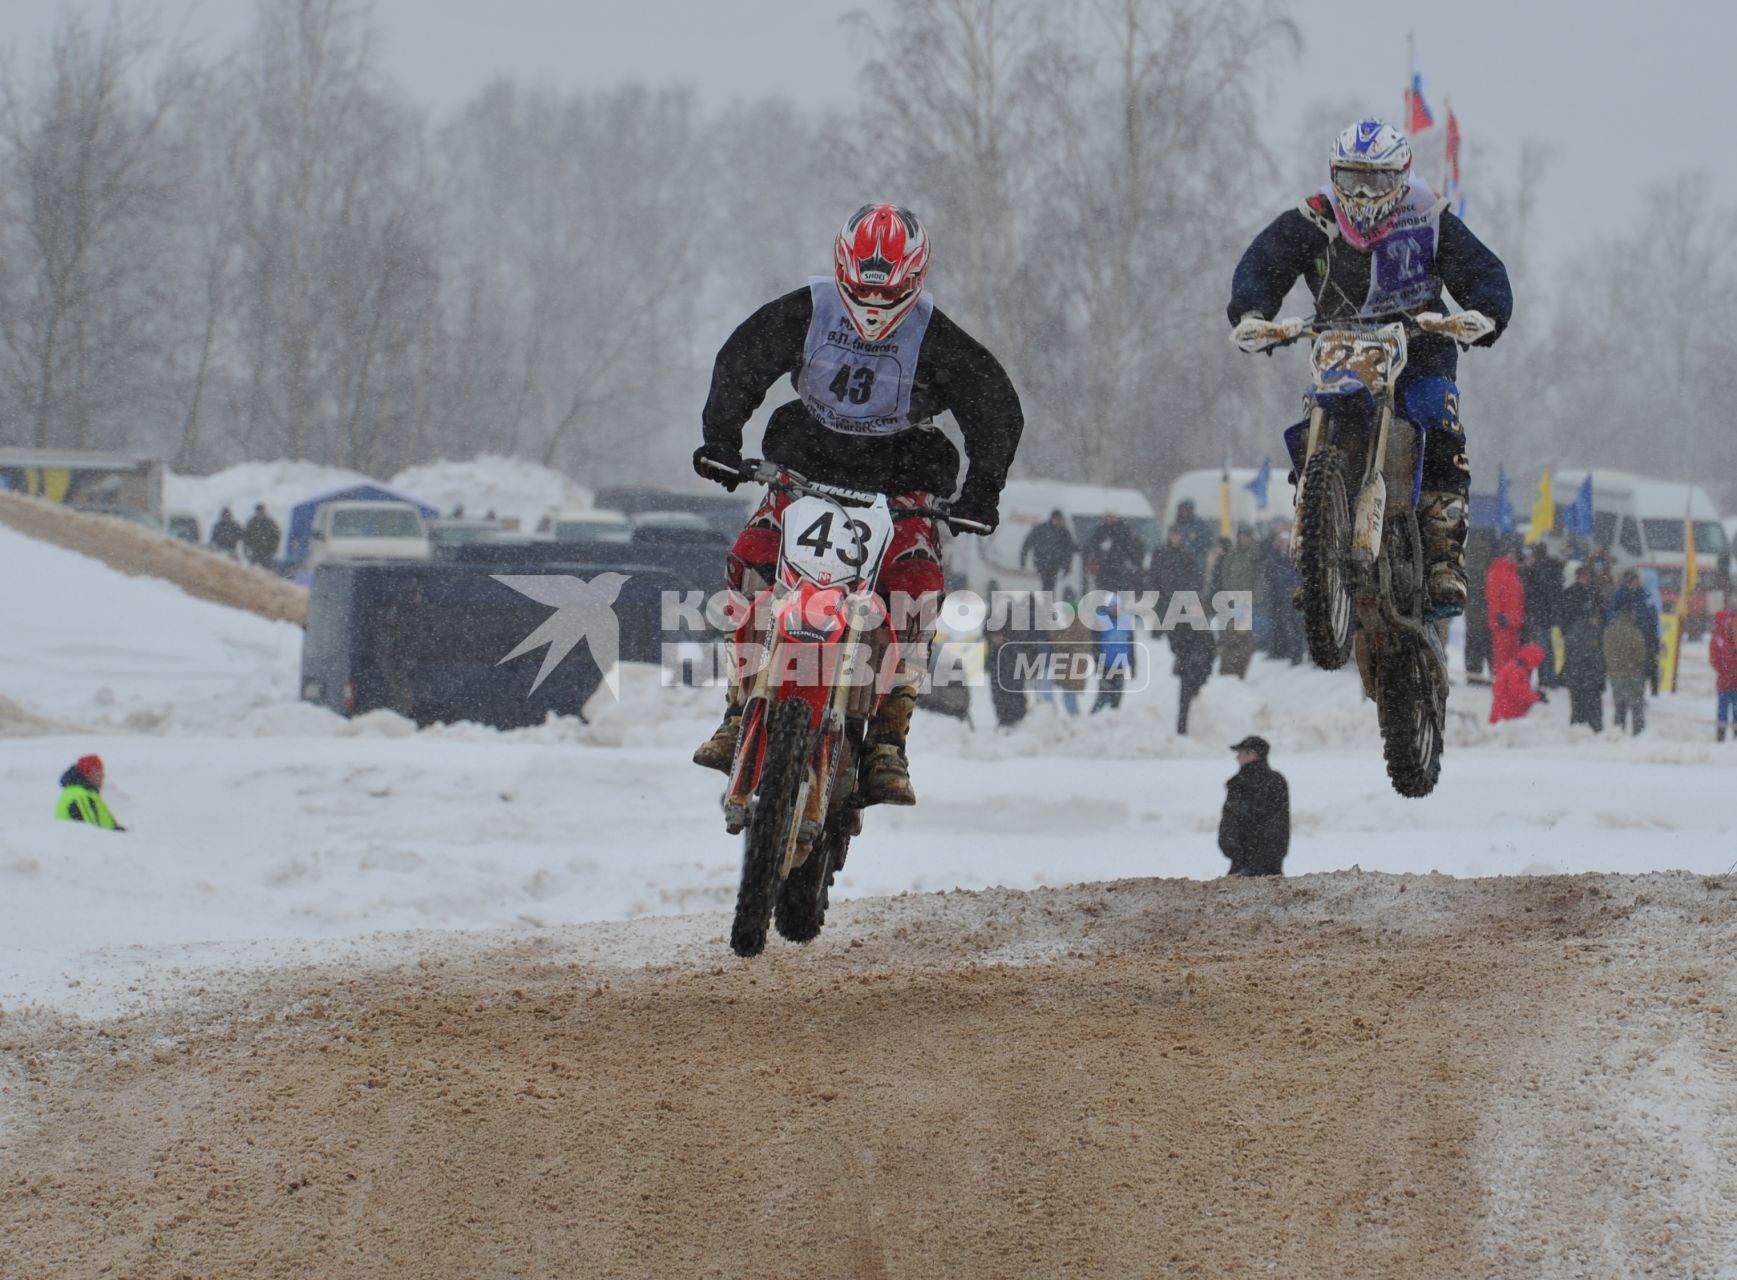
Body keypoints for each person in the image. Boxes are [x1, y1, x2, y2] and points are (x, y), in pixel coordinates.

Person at [690, 203, 1022, 804]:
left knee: (917, 590)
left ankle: (889, 738)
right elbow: (743, 360)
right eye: (861, 291)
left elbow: (992, 405)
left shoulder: (935, 334)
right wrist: (720, 441)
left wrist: (981, 493)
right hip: (802, 471)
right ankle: (740, 707)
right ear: (841, 270)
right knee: (750, 562)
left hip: (901, 483)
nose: (873, 311)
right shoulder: (805, 310)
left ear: (915, 279)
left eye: (890, 292)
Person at [1227, 118, 1513, 618]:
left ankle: (1445, 555)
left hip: (1421, 344)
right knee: (1316, 421)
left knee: (1437, 420)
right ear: (1333, 175)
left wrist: (1484, 313)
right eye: (1351, 178)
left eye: (1376, 181)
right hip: (1341, 347)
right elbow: (1263, 261)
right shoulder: (1315, 217)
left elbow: (1482, 269)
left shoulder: (1428, 215)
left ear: (1400, 178)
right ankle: (1318, 550)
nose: (1362, 193)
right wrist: (1253, 313)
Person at [1218, 736, 1289, 877]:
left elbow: (1231, 825)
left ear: (1253, 754)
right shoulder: (1277, 782)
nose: (1237, 758)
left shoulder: (1240, 784)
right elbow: (1280, 827)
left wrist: (1238, 855)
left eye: (1240, 753)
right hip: (1271, 866)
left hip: (1242, 865)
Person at [1211, 525, 1260, 678]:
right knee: (1227, 636)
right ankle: (1226, 668)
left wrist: (1252, 596)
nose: (1243, 539)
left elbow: (1258, 578)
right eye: (1241, 535)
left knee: (1242, 637)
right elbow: (1225, 575)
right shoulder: (1232, 555)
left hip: (1245, 601)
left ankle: (1239, 668)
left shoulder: (1254, 555)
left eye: (1246, 536)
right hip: (1230, 599)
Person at [1560, 588, 1606, 733]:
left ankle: (1575, 734)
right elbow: (1595, 657)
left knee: (1577, 709)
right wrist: (1600, 677)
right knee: (1594, 711)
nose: (1598, 620)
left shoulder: (1574, 629)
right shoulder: (1591, 633)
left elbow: (1569, 654)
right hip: (1588, 677)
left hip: (1575, 677)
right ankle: (1595, 735)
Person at [1521, 542, 1565, 688]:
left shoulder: (1537, 569)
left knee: (1542, 649)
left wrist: (1528, 569)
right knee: (1548, 648)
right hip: (1549, 614)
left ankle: (1546, 678)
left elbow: (1531, 592)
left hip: (1538, 614)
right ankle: (1549, 678)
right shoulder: (1553, 567)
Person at [1602, 607, 1650, 736]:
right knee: (1636, 708)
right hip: (1633, 676)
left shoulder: (1608, 632)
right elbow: (1641, 655)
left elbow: (1606, 653)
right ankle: (1638, 734)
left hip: (1615, 676)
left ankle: (1618, 733)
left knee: (1619, 707)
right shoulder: (1635, 633)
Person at [1485, 538, 1526, 676]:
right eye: (1510, 552)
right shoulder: (1497, 570)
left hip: (1514, 624)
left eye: (1514, 553)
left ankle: (1509, 687)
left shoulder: (1515, 573)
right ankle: (1502, 688)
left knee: (1512, 659)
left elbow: (1519, 600)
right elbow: (1493, 595)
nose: (1512, 556)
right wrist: (1499, 614)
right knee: (1501, 659)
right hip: (1503, 623)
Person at [54, 754, 124, 831]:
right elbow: (91, 833)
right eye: (98, 772)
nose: (102, 776)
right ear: (88, 774)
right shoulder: (80, 797)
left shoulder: (86, 793)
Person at [1172, 617, 1217, 736]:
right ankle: (1182, 729)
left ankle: (1197, 727)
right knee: (1184, 700)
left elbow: (1212, 650)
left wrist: (1207, 669)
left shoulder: (1205, 628)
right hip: (1186, 669)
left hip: (1201, 670)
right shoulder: (1183, 626)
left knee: (1196, 697)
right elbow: (1175, 644)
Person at [1083, 511, 1144, 594]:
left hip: (1117, 567)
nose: (1108, 519)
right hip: (1103, 568)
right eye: (1106, 517)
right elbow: (1093, 545)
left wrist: (1135, 562)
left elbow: (1128, 547)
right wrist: (1100, 549)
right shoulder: (1100, 530)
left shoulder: (1121, 530)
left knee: (1117, 590)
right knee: (1104, 591)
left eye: (1110, 517)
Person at [1020, 510, 1076, 594]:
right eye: (1057, 519)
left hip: (1055, 564)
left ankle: (1047, 603)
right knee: (1047, 586)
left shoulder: (1064, 532)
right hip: (1042, 563)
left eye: (1059, 519)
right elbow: (1027, 543)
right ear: (1053, 518)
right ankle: (1046, 603)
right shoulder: (1041, 529)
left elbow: (1068, 550)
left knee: (1050, 587)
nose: (1058, 521)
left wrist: (1066, 565)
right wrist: (1023, 559)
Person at [1490, 642, 1546, 724]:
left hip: (1503, 712)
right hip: (1507, 717)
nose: (1537, 666)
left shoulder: (1515, 666)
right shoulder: (1518, 671)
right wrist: (1537, 697)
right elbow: (1520, 693)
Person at [1710, 605, 1737, 742]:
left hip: (1734, 682)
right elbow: (1714, 660)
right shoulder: (1716, 639)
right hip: (1724, 683)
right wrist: (1726, 671)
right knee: (1722, 710)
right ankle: (1721, 735)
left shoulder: (1734, 636)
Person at [1172, 500, 1215, 573]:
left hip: (1197, 562)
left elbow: (1208, 541)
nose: (1184, 512)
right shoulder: (1178, 524)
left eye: (1186, 510)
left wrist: (1194, 548)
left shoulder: (1200, 524)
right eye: (1182, 510)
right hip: (1179, 562)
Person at [241, 503, 282, 567]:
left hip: (267, 552)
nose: (260, 513)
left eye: (261, 511)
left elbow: (276, 536)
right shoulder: (251, 522)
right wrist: (246, 549)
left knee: (266, 571)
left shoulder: (270, 523)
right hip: (254, 552)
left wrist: (273, 550)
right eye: (258, 511)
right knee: (254, 571)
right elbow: (245, 536)